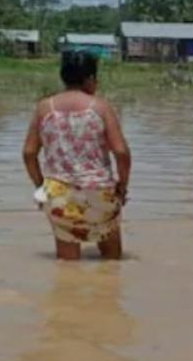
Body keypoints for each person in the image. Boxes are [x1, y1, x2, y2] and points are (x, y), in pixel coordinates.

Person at [22, 51, 131, 261]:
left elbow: (28, 153)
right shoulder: (100, 107)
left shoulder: (44, 108)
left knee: (67, 265)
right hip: (99, 191)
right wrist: (122, 186)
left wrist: (40, 186)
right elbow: (121, 152)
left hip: (59, 194)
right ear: (90, 79)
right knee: (112, 261)